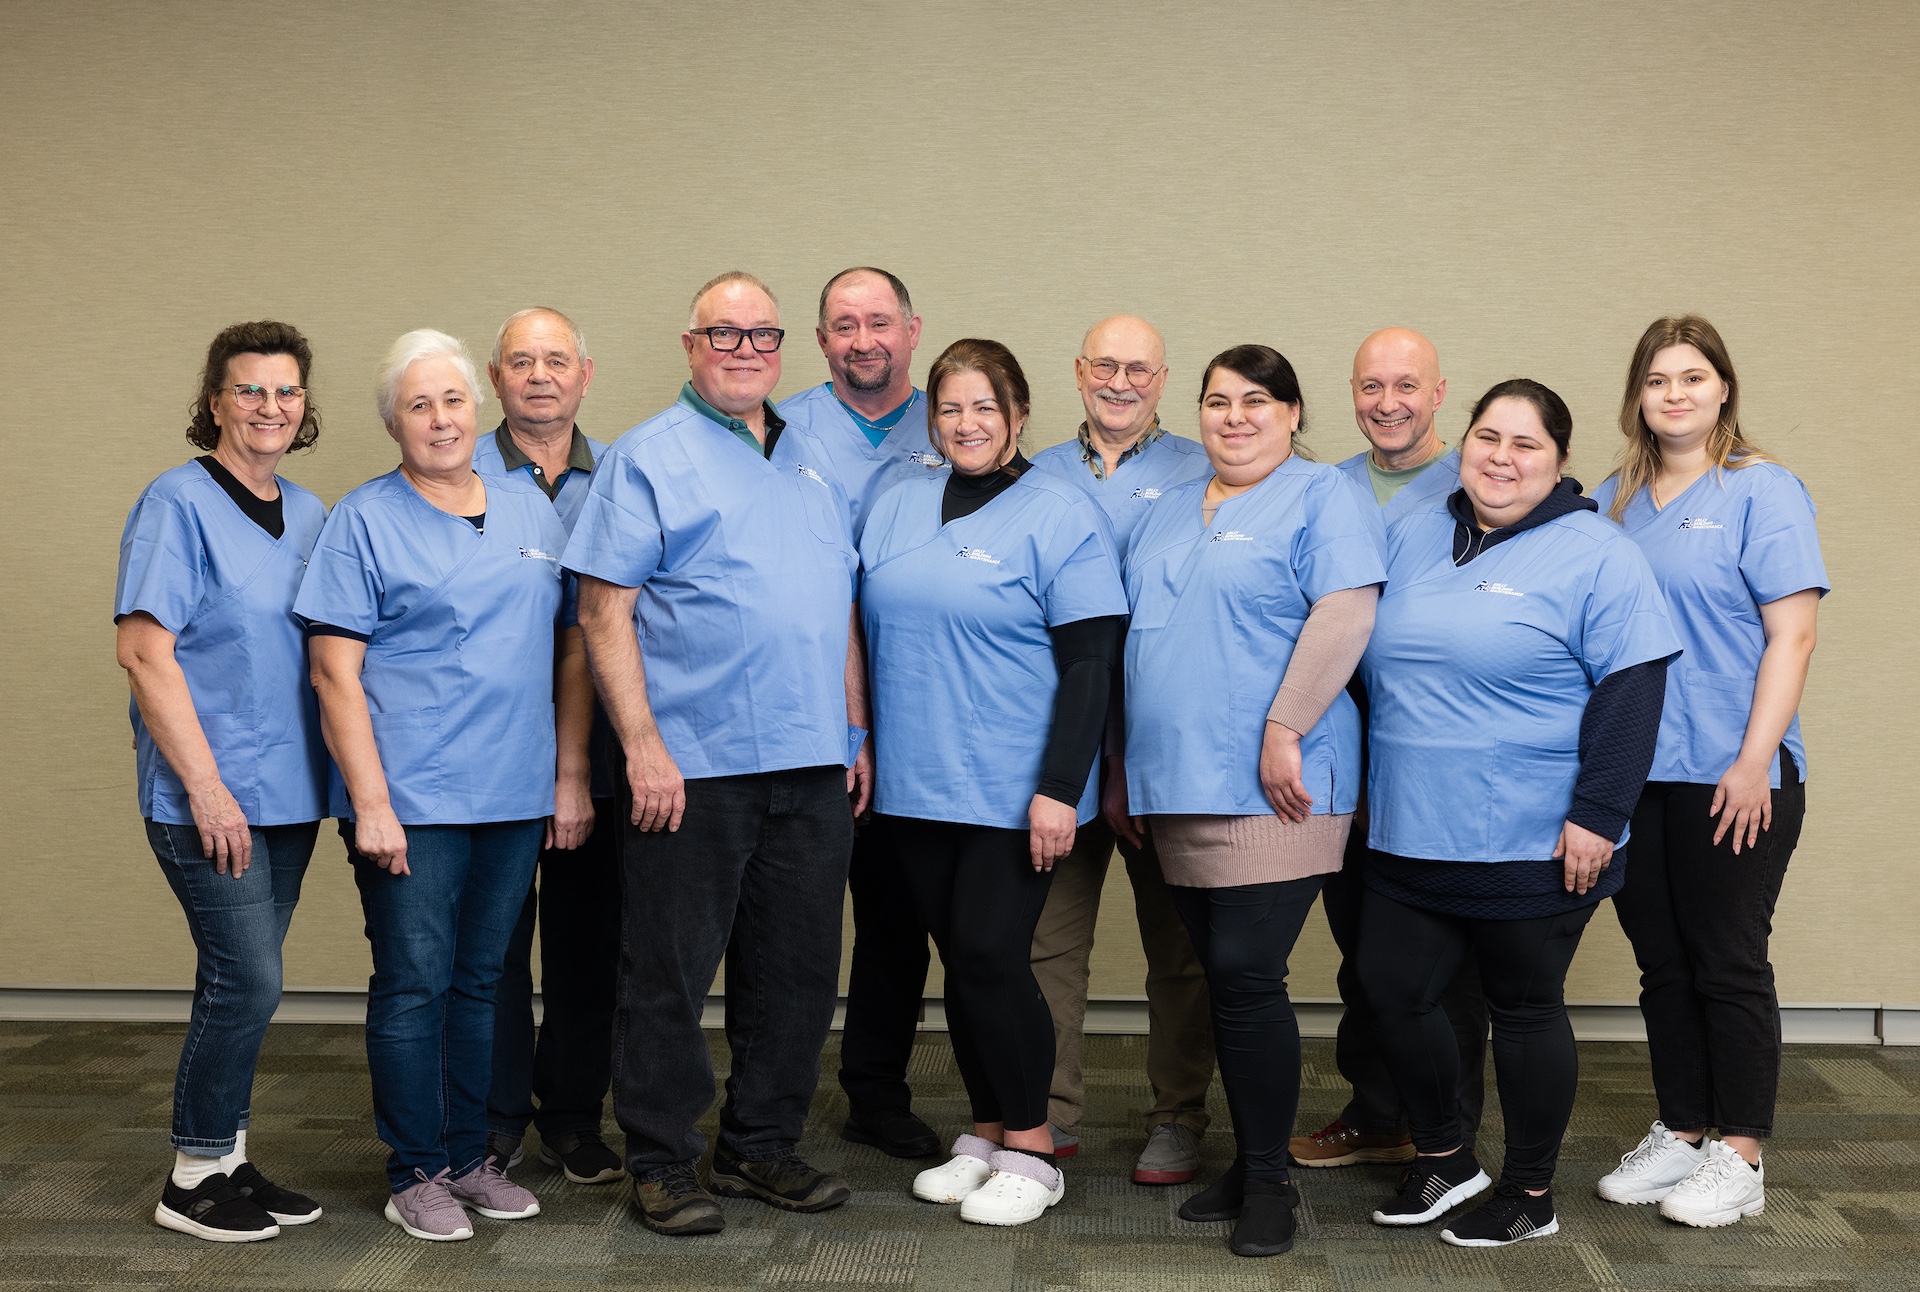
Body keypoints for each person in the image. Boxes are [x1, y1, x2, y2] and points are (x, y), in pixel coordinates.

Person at [566, 272, 868, 1237]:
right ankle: (660, 1158)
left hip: (813, 762)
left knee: (797, 971)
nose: (745, 350)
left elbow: (839, 606)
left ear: (785, 346)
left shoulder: (812, 456)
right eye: (724, 335)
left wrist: (852, 733)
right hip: (693, 768)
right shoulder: (649, 456)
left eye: (762, 334)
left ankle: (760, 1143)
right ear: (690, 346)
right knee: (669, 971)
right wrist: (643, 747)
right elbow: (601, 609)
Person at [1356, 379, 1680, 1247]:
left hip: (1533, 835)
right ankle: (1447, 1157)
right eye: (1488, 437)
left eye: (1526, 444)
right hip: (1408, 823)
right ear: (1463, 443)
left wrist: (1600, 814)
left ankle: (1531, 1193)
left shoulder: (1598, 553)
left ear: (1560, 462)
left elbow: (1633, 688)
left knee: (1524, 1009)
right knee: (1390, 989)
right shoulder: (1417, 530)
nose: (1502, 458)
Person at [299, 329, 592, 1242]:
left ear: (481, 408)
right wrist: (372, 804)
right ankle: (414, 1169)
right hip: (411, 802)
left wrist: (567, 775)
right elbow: (332, 673)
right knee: (415, 983)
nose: (440, 419)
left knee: (480, 984)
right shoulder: (364, 519)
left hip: (512, 793)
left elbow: (572, 647)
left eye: (453, 400)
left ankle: (470, 1157)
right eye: (419, 405)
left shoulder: (530, 512)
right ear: (395, 422)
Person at [1119, 345, 1386, 1257]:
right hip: (1176, 783)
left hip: (1280, 784)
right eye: (1218, 401)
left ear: (1294, 412)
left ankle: (1270, 1181)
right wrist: (1124, 766)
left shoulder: (1323, 497)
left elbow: (1346, 613)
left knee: (1243, 976)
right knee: (1224, 985)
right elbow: (1139, 644)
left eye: (1258, 400)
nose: (1235, 416)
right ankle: (1252, 1156)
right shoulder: (1166, 513)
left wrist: (1284, 727)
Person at [863, 339, 1127, 1227]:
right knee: (960, 964)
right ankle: (982, 1133)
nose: (967, 424)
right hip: (915, 781)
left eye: (985, 407)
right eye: (950, 409)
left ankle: (1032, 1146)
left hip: (1016, 786)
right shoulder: (894, 504)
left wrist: (1062, 786)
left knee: (989, 955)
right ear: (931, 420)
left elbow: (1092, 663)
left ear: (1018, 416)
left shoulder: (1060, 512)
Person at [1591, 316, 1826, 1228]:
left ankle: (1740, 1151)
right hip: (1638, 772)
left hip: (1735, 770)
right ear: (1638, 396)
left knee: (1727, 961)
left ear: (1723, 387)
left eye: (1693, 377)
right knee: (1662, 963)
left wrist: (1754, 760)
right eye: (1658, 380)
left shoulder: (1761, 491)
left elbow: (1792, 632)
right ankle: (1684, 1130)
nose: (1676, 394)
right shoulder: (1616, 499)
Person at [117, 321, 330, 1243]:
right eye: (249, 391)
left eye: (285, 392)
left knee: (244, 982)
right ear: (215, 403)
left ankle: (231, 1157)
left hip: (289, 792)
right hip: (209, 796)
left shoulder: (314, 513)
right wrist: (206, 789)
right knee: (248, 982)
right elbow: (143, 650)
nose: (269, 408)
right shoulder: (176, 502)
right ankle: (193, 1172)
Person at [1026, 315, 1217, 1183]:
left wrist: (1132, 760)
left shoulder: (1204, 471)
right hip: (1058, 752)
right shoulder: (1037, 476)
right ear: (1077, 372)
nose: (1120, 381)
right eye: (1105, 365)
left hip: (1163, 755)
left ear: (1164, 379)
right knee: (1047, 947)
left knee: (1179, 950)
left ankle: (1178, 1116)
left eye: (1139, 368)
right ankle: (1047, 1117)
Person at [1294, 328, 1487, 1170]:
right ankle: (1379, 1112)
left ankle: (1452, 1135)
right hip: (1343, 749)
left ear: (1440, 392)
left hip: (1438, 750)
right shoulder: (1324, 487)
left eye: (1406, 385)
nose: (1388, 403)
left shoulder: (1481, 480)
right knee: (1365, 954)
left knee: (1447, 962)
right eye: (1371, 386)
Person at [771, 267, 947, 1160]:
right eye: (844, 324)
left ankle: (875, 1092)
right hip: (796, 714)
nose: (863, 339)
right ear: (820, 337)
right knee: (786, 925)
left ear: (913, 331)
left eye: (880, 322)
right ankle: (767, 1106)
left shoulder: (953, 419)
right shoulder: (779, 425)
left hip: (913, 713)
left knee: (892, 922)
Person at [472, 307, 623, 1187]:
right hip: (487, 753)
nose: (539, 375)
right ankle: (495, 1120)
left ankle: (572, 1116)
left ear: (585, 374)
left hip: (600, 756)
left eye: (555, 360)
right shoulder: (451, 475)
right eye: (519, 361)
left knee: (589, 943)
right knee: (491, 947)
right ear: (495, 378)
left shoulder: (622, 481)